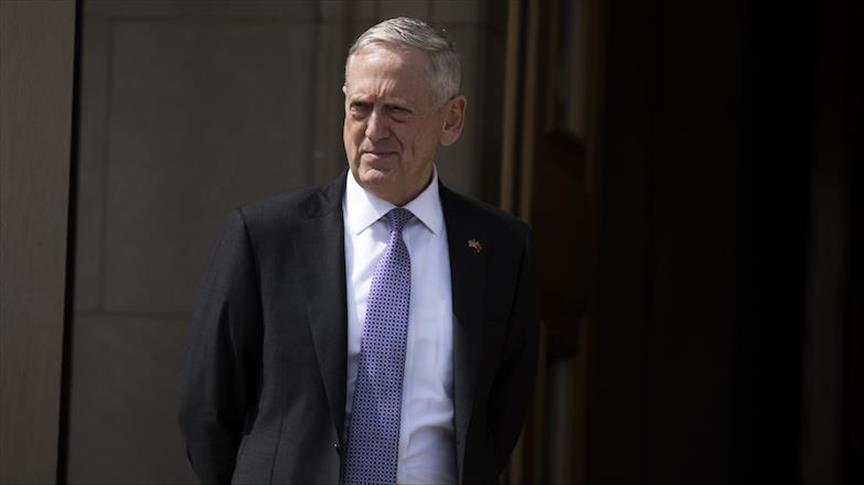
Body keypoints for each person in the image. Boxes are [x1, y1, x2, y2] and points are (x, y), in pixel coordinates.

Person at [178, 17, 536, 485]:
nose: (374, 130)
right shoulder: (266, 237)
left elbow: (502, 412)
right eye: (360, 108)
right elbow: (207, 407)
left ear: (451, 119)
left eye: (397, 111)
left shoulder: (501, 248)